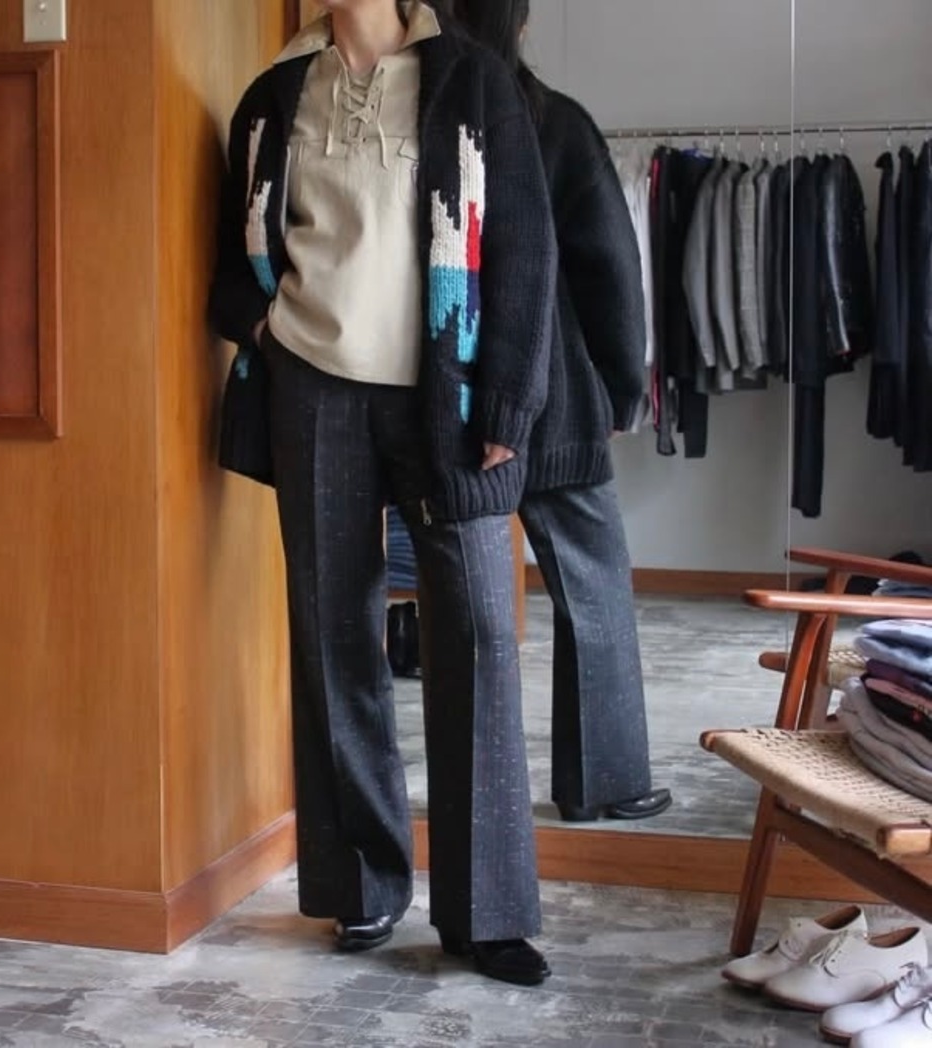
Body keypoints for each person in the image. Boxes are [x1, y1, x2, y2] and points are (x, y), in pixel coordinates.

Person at [208, 0, 558, 985]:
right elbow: (236, 250)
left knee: (476, 634)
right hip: (312, 390)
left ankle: (487, 914)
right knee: (332, 635)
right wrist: (265, 325)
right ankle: (360, 885)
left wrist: (509, 400)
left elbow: (525, 249)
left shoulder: (470, 81)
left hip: (446, 393)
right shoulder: (273, 94)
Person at [452, 0, 672, 823]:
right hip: (556, 397)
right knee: (594, 585)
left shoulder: (427, 122)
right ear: (519, 26)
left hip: (451, 393)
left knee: (466, 610)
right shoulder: (557, 125)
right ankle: (604, 784)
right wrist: (618, 387)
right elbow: (610, 270)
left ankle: (478, 805)